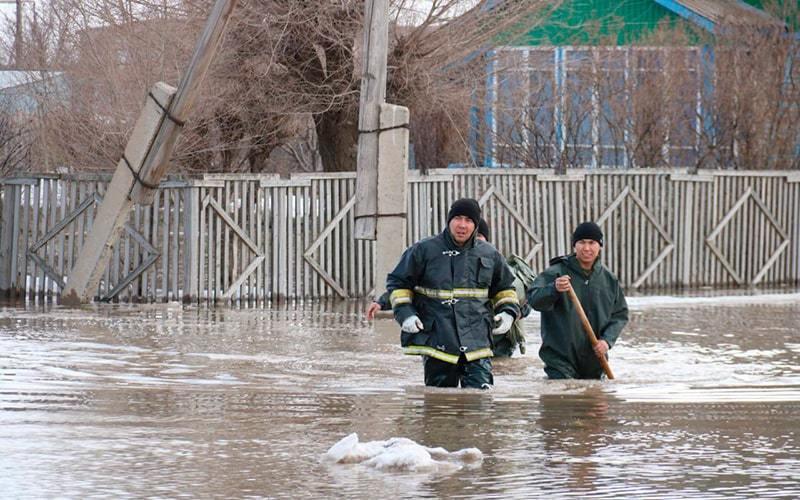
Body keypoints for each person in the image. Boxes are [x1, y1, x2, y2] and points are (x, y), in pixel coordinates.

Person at [385, 198, 520, 388]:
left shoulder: (490, 254)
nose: (462, 225)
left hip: (477, 340)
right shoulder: (423, 250)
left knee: (480, 402)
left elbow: (505, 289)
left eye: (469, 220)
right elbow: (398, 283)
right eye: (458, 218)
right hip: (438, 340)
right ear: (449, 220)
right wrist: (405, 315)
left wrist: (508, 313)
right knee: (439, 404)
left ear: (475, 225)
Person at [528, 221, 628, 379]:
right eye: (581, 242)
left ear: (600, 246)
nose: (586, 248)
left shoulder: (609, 280)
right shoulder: (556, 273)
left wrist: (606, 342)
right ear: (575, 245)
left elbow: (620, 315)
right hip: (560, 362)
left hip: (596, 362)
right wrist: (553, 289)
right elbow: (534, 300)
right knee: (565, 398)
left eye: (592, 243)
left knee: (593, 397)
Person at [475, 219, 534, 358]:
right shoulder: (453, 267)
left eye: (480, 238)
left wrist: (515, 312)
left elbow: (526, 300)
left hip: (501, 341)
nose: (476, 243)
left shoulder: (500, 267)